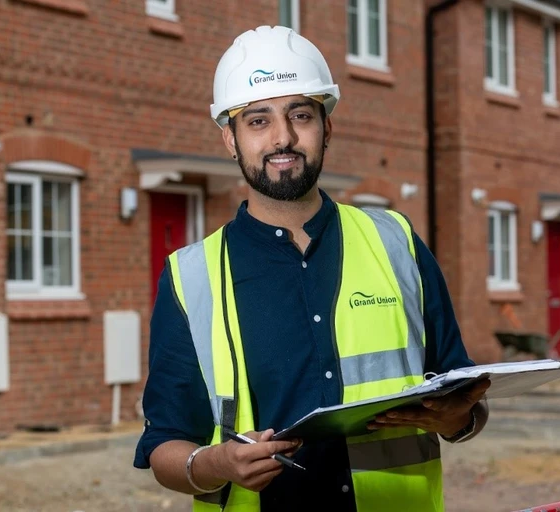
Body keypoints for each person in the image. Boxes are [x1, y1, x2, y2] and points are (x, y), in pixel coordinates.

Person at [134, 25, 490, 512]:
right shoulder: (189, 277)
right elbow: (164, 447)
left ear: (327, 127)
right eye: (258, 121)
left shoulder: (397, 243)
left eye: (300, 114)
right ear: (230, 140)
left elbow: (464, 401)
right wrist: (218, 465)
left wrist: (456, 420)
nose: (283, 137)